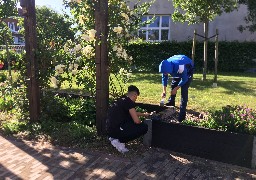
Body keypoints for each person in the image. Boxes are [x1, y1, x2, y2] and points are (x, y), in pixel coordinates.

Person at [107, 85, 150, 153]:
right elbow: (136, 121)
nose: (136, 99)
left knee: (130, 120)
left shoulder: (121, 99)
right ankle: (119, 141)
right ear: (134, 94)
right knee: (144, 127)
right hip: (117, 130)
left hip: (110, 129)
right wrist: (140, 122)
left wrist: (144, 114)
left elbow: (133, 112)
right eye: (136, 97)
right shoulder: (129, 102)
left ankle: (114, 138)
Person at [159, 55, 194, 122]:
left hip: (188, 68)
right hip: (176, 69)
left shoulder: (181, 67)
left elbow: (184, 79)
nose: (165, 73)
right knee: (173, 85)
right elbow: (164, 78)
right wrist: (164, 91)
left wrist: (176, 88)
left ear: (169, 69)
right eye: (164, 72)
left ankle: (182, 113)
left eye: (166, 72)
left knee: (184, 91)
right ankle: (171, 102)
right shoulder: (165, 65)